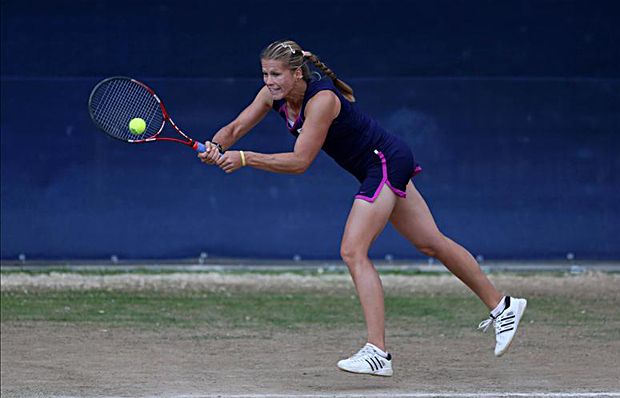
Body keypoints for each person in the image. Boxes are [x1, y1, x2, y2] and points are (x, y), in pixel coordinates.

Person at [198, 39, 527, 377]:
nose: (269, 81)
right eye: (265, 74)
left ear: (297, 73)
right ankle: (503, 306)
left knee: (353, 251)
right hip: (381, 163)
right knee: (431, 241)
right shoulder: (273, 96)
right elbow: (236, 128)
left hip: (383, 162)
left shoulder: (322, 100)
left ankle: (378, 352)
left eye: (276, 74)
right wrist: (216, 145)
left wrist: (244, 158)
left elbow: (300, 161)